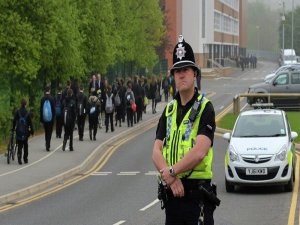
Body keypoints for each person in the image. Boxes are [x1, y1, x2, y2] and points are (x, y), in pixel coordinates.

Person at [152, 36, 218, 225]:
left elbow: (199, 152)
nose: (181, 75)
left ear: (194, 73)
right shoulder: (169, 110)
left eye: (186, 70)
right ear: (173, 76)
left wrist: (171, 172)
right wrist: (171, 180)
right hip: (173, 196)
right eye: (177, 71)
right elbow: (156, 151)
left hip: (197, 198)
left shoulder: (206, 108)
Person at [12, 98, 34, 164]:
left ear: (20, 104)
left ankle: (19, 157)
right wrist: (32, 131)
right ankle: (25, 158)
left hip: (19, 131)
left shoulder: (17, 112)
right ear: (26, 104)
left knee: (19, 145)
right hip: (25, 132)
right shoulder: (28, 113)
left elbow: (14, 121)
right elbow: (30, 123)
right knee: (25, 145)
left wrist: (13, 128)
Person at [40, 86, 55, 151]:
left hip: (44, 118)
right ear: (49, 90)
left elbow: (41, 110)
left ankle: (46, 142)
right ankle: (48, 144)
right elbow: (53, 109)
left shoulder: (42, 99)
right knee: (50, 131)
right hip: (50, 119)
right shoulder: (52, 98)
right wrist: (53, 118)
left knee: (46, 131)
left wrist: (41, 119)